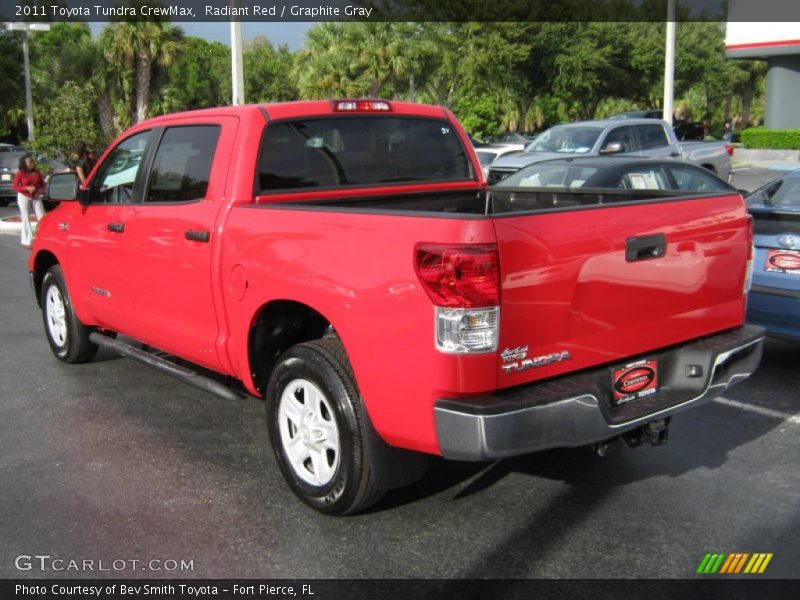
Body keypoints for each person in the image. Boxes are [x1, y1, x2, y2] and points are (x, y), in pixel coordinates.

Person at [12, 153, 45, 248]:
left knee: (42, 216)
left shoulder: (37, 172)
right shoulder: (20, 173)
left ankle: (42, 238)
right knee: (25, 217)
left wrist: (39, 191)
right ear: (24, 164)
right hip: (23, 196)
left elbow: (42, 184)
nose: (32, 164)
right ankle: (27, 241)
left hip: (35, 196)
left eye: (32, 162)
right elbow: (15, 186)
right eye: (30, 163)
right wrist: (26, 188)